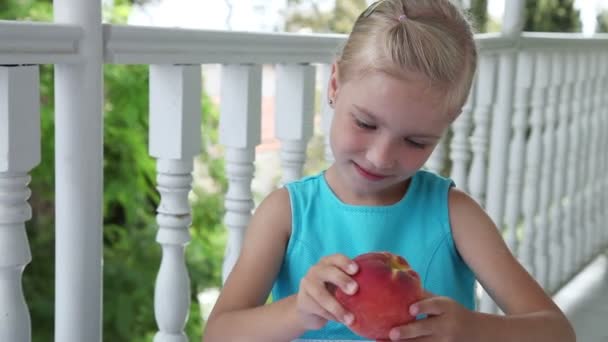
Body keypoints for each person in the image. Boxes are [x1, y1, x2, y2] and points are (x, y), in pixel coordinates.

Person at [203, 0, 576, 341]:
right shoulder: (286, 214)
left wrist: (471, 328)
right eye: (366, 124)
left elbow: (557, 332)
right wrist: (298, 312)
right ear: (335, 85)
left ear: (447, 125)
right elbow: (219, 333)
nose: (381, 158)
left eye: (415, 142)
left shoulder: (455, 215)